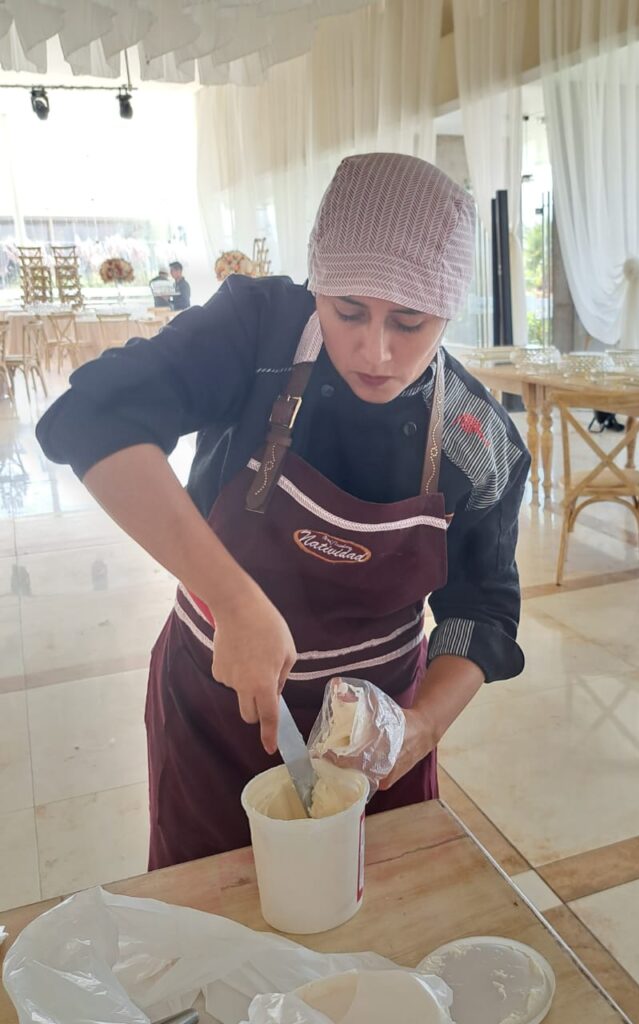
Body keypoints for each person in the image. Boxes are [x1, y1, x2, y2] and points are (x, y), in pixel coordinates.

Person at [37, 153, 529, 870]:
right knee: (212, 918)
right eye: (347, 310)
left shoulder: (475, 438)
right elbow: (93, 420)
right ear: (315, 285)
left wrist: (420, 727)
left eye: (412, 322)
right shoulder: (259, 334)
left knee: (375, 926)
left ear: (449, 310)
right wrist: (233, 601)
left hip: (375, 738)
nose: (376, 350)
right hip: (212, 711)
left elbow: (480, 615)